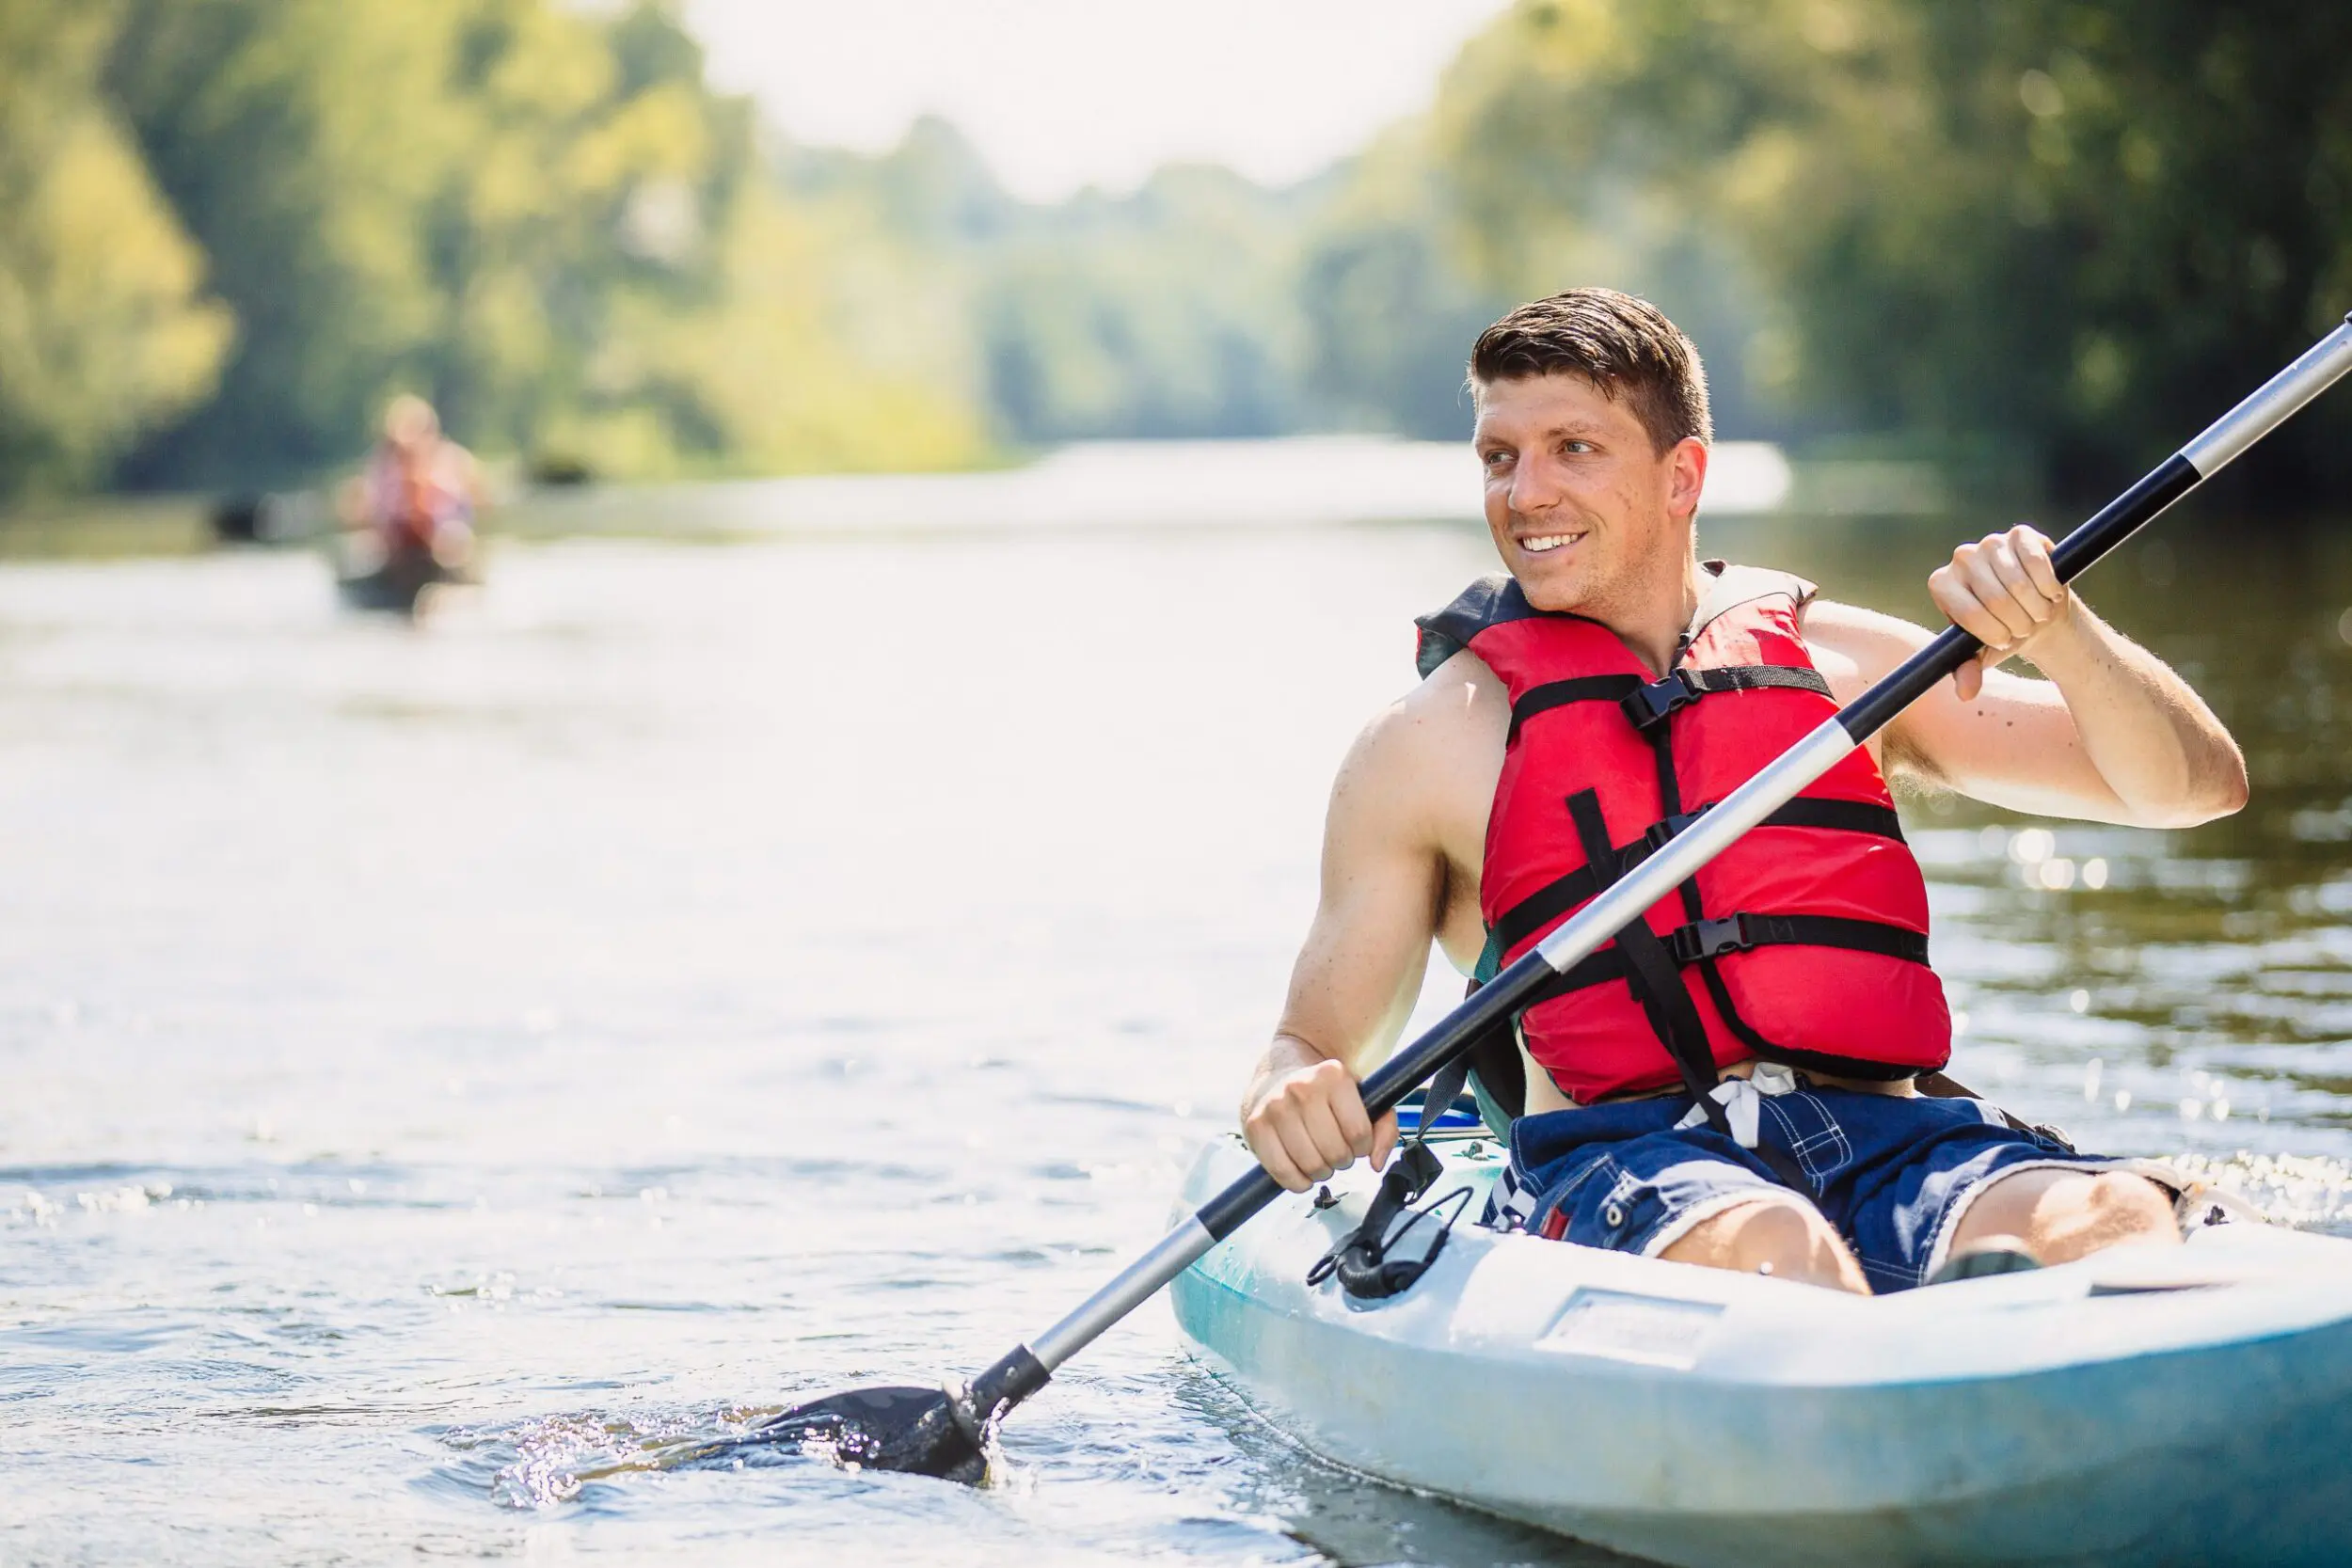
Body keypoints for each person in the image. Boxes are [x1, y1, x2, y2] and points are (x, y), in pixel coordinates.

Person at [1239, 289, 2247, 1294]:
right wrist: (1290, 1091)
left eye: (1572, 448)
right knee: (1782, 1254)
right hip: (1619, 1163)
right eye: (1499, 457)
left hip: (1888, 1135)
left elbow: (2194, 787)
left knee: (2114, 1216)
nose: (1524, 492)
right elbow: (1315, 1042)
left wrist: (2063, 634)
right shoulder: (1425, 744)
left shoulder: (1847, 667)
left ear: (1683, 476)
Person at [341, 394, 482, 571]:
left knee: (452, 540)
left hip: (440, 540)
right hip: (397, 542)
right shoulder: (383, 468)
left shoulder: (450, 463)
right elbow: (368, 511)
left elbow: (468, 505)